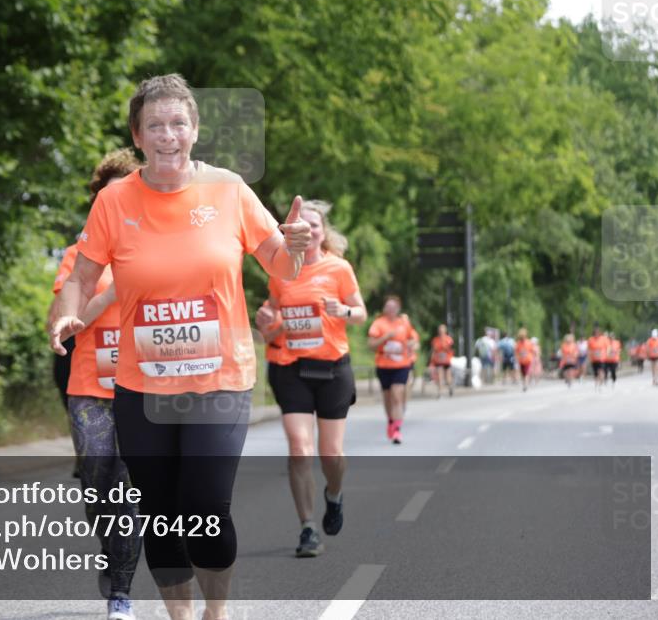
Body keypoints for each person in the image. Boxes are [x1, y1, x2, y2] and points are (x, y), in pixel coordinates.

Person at [49, 74, 311, 620]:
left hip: (220, 379)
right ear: (137, 136)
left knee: (205, 511)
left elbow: (283, 266)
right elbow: (81, 273)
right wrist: (67, 313)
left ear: (195, 129)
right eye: (155, 125)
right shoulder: (114, 202)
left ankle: (216, 613)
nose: (168, 135)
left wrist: (298, 246)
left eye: (178, 123)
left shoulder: (230, 190)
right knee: (161, 517)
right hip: (141, 387)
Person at [49, 148, 143, 620]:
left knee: (127, 487)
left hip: (144, 390)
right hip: (91, 389)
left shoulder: (155, 250)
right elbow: (68, 323)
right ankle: (112, 548)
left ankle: (121, 591)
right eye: (104, 199)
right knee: (98, 484)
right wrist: (111, 291)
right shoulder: (76, 258)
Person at [256, 200, 366, 558]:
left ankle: (333, 495)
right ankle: (307, 528)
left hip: (332, 368)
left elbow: (360, 313)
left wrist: (343, 310)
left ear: (322, 232)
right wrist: (266, 319)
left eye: (314, 225)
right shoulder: (280, 270)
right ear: (291, 232)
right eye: (301, 224)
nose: (308, 230)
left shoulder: (339, 269)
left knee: (330, 453)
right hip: (290, 367)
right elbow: (270, 315)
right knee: (300, 449)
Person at [367, 296, 418, 445]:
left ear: (398, 309)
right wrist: (385, 337)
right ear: (384, 308)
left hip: (401, 364)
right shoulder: (378, 323)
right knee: (388, 397)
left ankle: (397, 430)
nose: (391, 310)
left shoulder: (403, 323)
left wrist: (411, 344)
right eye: (388, 307)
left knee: (397, 395)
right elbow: (371, 345)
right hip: (383, 365)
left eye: (393, 307)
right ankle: (390, 421)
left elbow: (414, 339)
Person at [429, 324, 454, 398]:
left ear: (445, 331)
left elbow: (451, 349)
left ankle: (450, 387)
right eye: (440, 330)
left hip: (446, 360)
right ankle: (440, 392)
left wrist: (445, 347)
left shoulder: (448, 339)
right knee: (440, 375)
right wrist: (431, 361)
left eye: (442, 330)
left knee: (448, 376)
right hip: (438, 360)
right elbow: (433, 351)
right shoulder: (435, 340)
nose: (441, 332)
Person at [587, 326, 609, 391]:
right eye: (595, 333)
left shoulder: (603, 339)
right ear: (593, 333)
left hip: (602, 358)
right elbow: (589, 349)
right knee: (595, 372)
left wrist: (607, 353)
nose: (596, 334)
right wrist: (589, 355)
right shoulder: (591, 339)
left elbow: (607, 347)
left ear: (599, 333)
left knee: (601, 371)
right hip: (594, 358)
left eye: (598, 333)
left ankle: (601, 383)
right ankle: (596, 383)